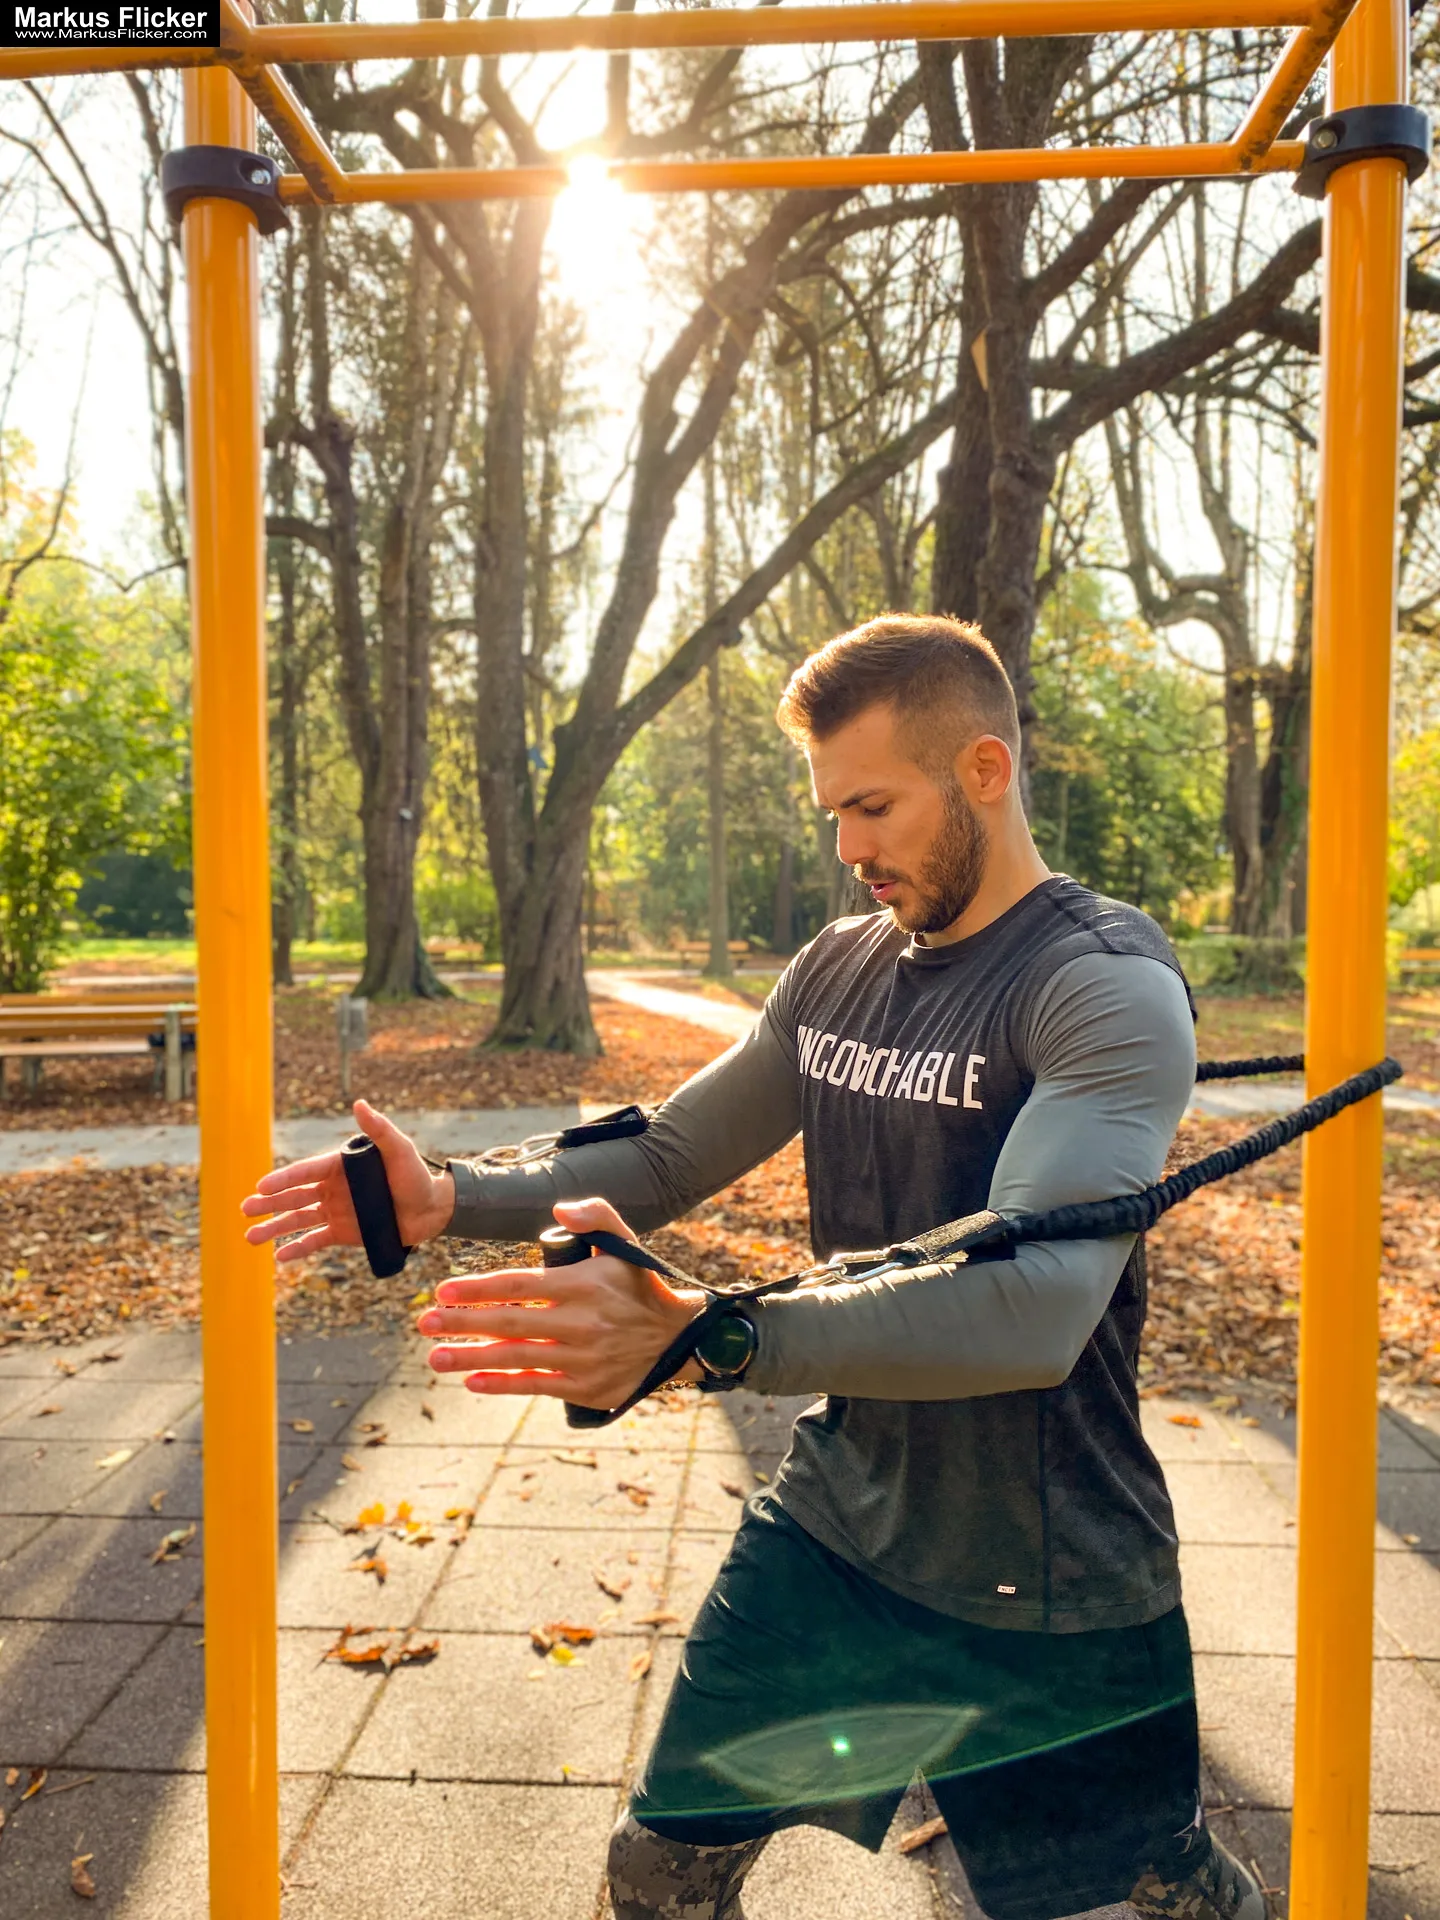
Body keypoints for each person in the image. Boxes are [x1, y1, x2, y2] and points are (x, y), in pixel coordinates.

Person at [241, 615, 1264, 1920]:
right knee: (660, 1873)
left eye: (874, 806)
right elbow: (665, 1158)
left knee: (1152, 1900)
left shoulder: (1099, 986)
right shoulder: (839, 968)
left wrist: (717, 1333)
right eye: (833, 810)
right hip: (836, 1534)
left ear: (987, 772)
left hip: (1052, 1585)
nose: (847, 846)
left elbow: (1036, 1312)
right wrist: (449, 1197)